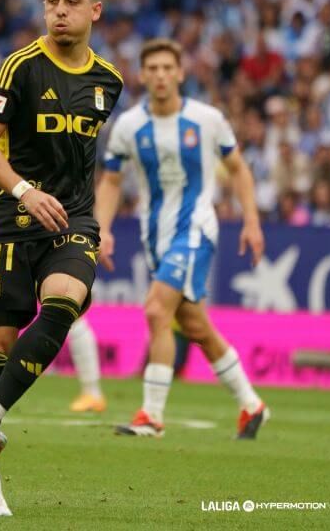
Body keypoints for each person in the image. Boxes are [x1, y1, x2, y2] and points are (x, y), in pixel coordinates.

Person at [0, 0, 123, 516]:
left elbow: (85, 163)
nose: (59, 10)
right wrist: (25, 190)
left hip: (73, 220)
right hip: (12, 220)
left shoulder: (109, 82)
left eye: (71, 1)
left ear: (94, 11)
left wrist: (97, 220)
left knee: (64, 302)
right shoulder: (20, 68)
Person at [96, 38, 269, 439]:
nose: (159, 75)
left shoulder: (207, 119)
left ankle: (151, 417)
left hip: (196, 229)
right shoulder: (128, 126)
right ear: (142, 75)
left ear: (180, 73)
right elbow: (111, 181)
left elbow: (239, 169)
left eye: (166, 68)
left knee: (157, 310)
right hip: (155, 235)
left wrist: (252, 222)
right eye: (151, 68)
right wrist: (102, 228)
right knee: (196, 326)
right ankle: (251, 404)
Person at [0, 182, 107, 413]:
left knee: (62, 309)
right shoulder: (2, 154)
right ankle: (87, 388)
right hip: (16, 227)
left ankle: (90, 390)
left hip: (39, 228)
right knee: (53, 313)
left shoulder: (15, 154)